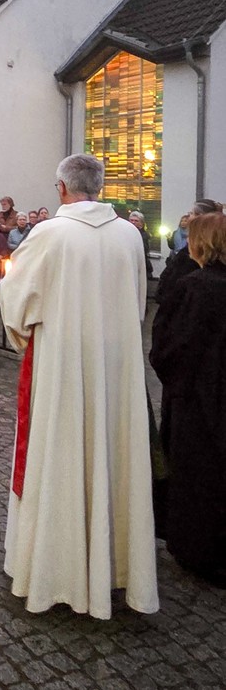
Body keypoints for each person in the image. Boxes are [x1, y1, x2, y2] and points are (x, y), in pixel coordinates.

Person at [0, 154, 158, 619]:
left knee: (61, 460)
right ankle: (113, 566)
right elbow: (140, 301)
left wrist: (25, 330)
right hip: (116, 368)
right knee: (111, 456)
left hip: (63, 369)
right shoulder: (130, 234)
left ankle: (56, 570)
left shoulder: (49, 234)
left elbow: (16, 297)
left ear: (62, 189)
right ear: (99, 187)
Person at [150, 213, 226, 587]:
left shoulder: (196, 288)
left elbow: (171, 347)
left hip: (198, 398)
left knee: (199, 474)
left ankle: (200, 550)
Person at [129, 211, 154, 279]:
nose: (133, 222)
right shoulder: (125, 233)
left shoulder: (144, 235)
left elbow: (144, 250)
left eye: (136, 221)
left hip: (141, 264)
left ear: (141, 223)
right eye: (131, 220)